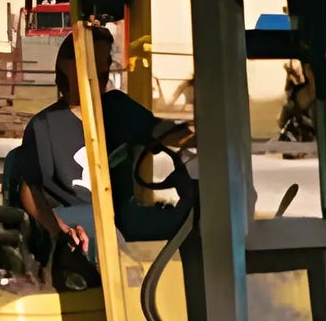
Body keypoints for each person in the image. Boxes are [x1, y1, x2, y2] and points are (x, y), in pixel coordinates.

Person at [18, 25, 194, 260]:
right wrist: (58, 229)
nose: (103, 70)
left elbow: (167, 135)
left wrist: (203, 129)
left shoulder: (119, 108)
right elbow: (30, 190)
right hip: (75, 218)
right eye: (94, 61)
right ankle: (126, 288)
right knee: (102, 230)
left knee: (191, 220)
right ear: (67, 65)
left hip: (117, 214)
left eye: (106, 63)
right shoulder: (44, 125)